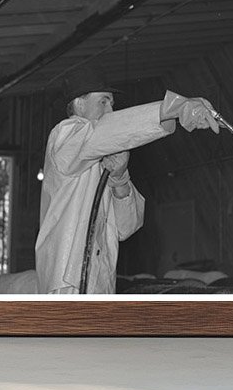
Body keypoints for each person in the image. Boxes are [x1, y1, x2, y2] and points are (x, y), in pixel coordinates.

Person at [35, 66, 220, 295]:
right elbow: (102, 133)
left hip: (100, 283)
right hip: (66, 283)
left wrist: (120, 178)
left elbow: (127, 227)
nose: (111, 110)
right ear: (79, 104)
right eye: (103, 101)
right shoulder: (65, 135)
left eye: (111, 103)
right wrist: (172, 109)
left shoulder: (101, 153)